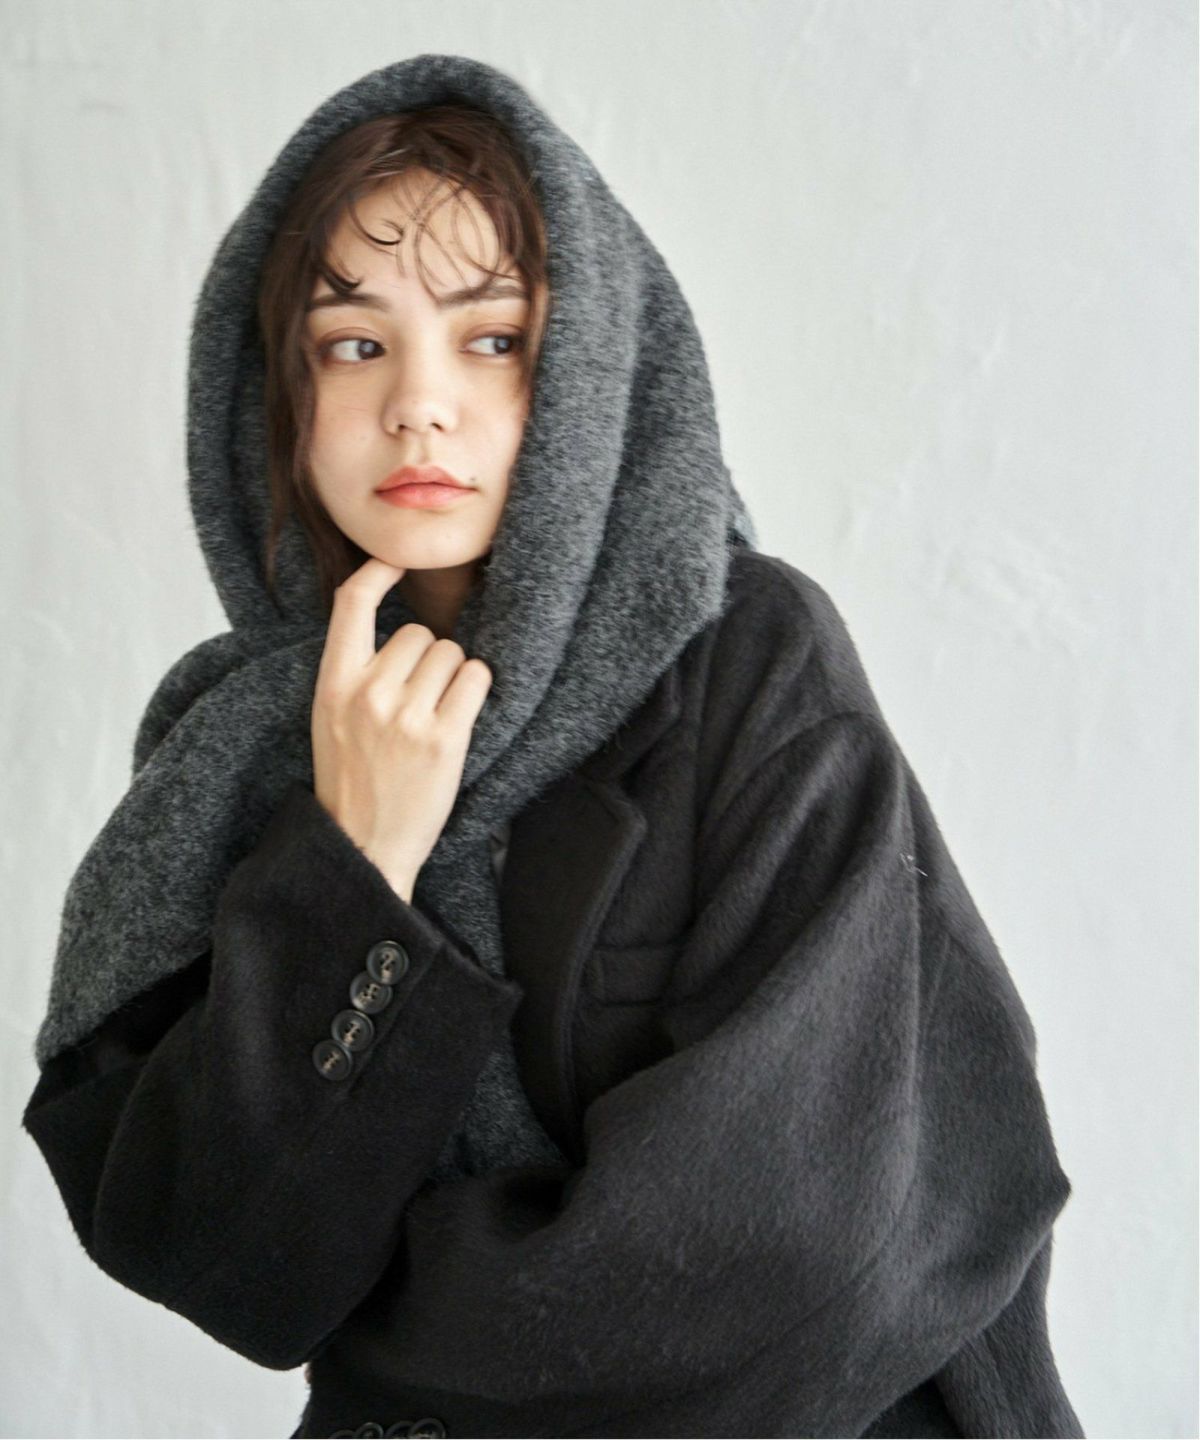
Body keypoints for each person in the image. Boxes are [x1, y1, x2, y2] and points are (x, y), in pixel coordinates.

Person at [21, 54, 1084, 1439]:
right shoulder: (232, 752)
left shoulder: (747, 660)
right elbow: (212, 1253)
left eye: (493, 338)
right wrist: (354, 861)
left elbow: (791, 1236)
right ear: (274, 399)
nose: (419, 403)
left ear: (590, 371)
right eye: (354, 345)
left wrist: (372, 1341)